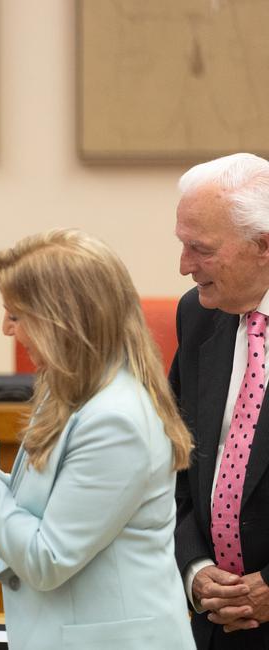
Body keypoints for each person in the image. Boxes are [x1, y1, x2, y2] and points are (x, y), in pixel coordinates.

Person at [0, 229, 195, 650]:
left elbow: (47, 558)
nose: (5, 329)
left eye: (15, 314)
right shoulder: (69, 392)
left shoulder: (115, 420)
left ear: (64, 319)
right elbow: (40, 514)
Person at [172, 152, 269, 649]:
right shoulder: (198, 315)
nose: (184, 266)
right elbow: (176, 463)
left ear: (263, 246)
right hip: (213, 626)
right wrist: (195, 566)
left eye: (200, 249)